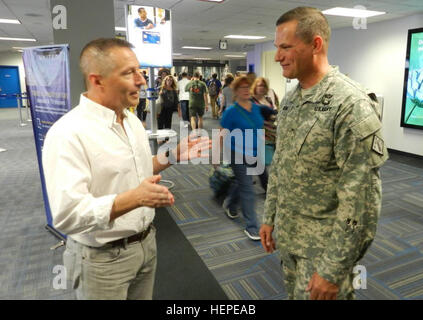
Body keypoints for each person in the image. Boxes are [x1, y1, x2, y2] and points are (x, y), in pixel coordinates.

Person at [42, 38, 210, 300]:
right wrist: (135, 198)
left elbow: (138, 170)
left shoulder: (131, 121)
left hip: (146, 245)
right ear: (98, 81)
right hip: (101, 261)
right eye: (128, 73)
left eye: (139, 71)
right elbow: (67, 214)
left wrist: (172, 156)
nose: (141, 80)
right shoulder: (68, 133)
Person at [260, 7, 388, 300]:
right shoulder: (293, 99)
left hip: (323, 252)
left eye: (286, 47)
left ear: (315, 45)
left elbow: (361, 200)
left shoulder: (350, 105)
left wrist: (333, 269)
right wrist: (270, 217)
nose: (278, 56)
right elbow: (280, 165)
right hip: (291, 239)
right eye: (276, 47)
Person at [219, 76, 266, 241]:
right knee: (248, 187)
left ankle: (231, 204)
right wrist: (218, 155)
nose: (246, 90)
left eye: (248, 87)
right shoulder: (231, 111)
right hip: (236, 152)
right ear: (235, 91)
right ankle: (252, 226)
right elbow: (222, 133)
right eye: (242, 88)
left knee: (243, 183)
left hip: (253, 152)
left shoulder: (256, 108)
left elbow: (259, 128)